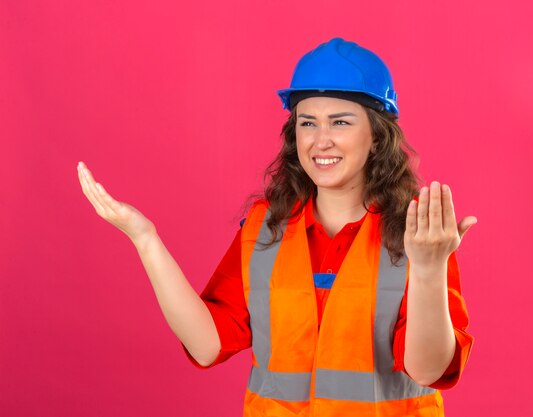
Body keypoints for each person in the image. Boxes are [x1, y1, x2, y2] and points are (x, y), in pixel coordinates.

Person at [77, 37, 477, 417]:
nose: (320, 141)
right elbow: (205, 345)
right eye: (307, 123)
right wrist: (146, 240)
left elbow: (427, 370)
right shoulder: (263, 231)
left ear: (376, 136)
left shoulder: (420, 235)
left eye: (340, 122)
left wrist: (428, 269)